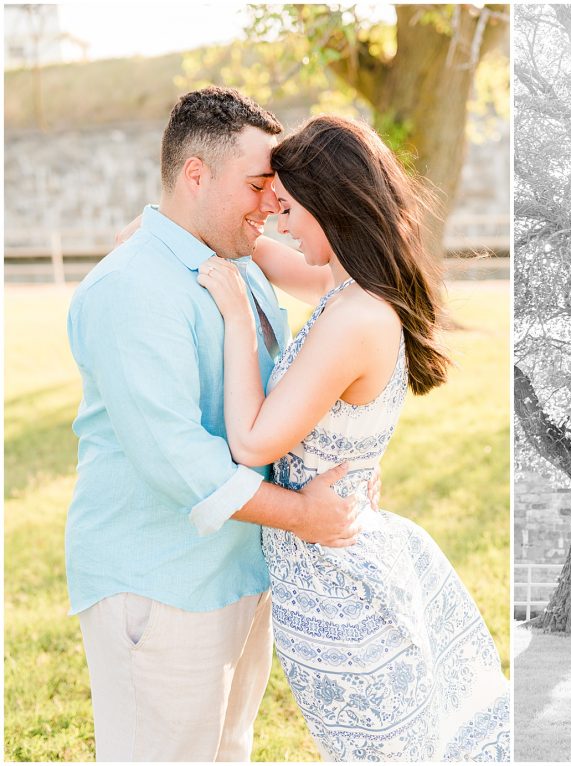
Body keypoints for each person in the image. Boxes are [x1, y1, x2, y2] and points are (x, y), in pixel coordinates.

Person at [66, 87, 374, 762]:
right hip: (160, 585)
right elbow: (176, 458)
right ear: (196, 175)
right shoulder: (133, 287)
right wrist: (302, 515)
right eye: (259, 184)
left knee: (227, 752)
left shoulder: (239, 264)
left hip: (237, 573)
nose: (272, 202)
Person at [197, 114, 510, 761]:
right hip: (334, 568)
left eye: (286, 206)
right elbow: (278, 257)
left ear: (325, 202)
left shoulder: (357, 316)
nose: (278, 220)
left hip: (340, 588)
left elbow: (252, 444)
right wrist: (216, 227)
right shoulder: (350, 288)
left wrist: (234, 315)